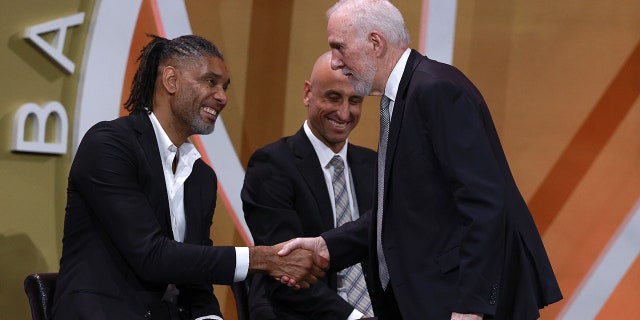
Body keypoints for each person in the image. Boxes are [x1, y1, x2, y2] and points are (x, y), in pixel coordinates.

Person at [279, 1, 563, 319]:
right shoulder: (403, 96)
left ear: (375, 42)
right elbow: (404, 212)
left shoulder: (436, 90)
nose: (335, 61)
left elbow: (485, 205)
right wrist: (327, 246)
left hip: (460, 305)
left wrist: (472, 306)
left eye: (339, 47)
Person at [52, 35, 327, 320]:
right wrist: (262, 259)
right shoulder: (109, 145)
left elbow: (195, 280)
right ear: (171, 80)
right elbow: (151, 256)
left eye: (224, 87)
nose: (222, 96)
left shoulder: (201, 177)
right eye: (211, 81)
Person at [242, 51, 376, 319]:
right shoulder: (272, 165)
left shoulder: (375, 166)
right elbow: (287, 273)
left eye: (355, 101)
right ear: (307, 93)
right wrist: (356, 319)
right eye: (333, 97)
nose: (344, 112)